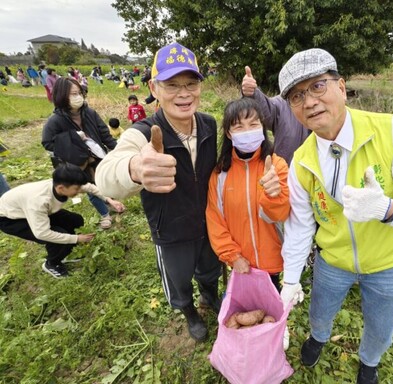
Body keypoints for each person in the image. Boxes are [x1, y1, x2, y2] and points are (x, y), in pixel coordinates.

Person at [276, 48, 393, 383]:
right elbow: (300, 226)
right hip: (332, 262)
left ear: (341, 86)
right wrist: (290, 281)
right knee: (320, 310)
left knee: (381, 323)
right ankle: (318, 337)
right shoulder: (302, 160)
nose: (308, 102)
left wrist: (387, 209)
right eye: (297, 95)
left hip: (388, 263)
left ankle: (370, 361)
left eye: (318, 86)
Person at [95, 42, 222, 342]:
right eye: (172, 84)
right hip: (170, 229)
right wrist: (135, 168)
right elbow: (105, 176)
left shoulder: (208, 124)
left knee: (209, 268)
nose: (184, 93)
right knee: (178, 281)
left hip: (208, 223)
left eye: (191, 83)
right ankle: (190, 312)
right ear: (154, 86)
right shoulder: (141, 133)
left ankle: (209, 297)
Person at [206, 97, 290, 291]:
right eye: (239, 127)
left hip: (272, 260)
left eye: (253, 124)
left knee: (270, 314)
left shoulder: (276, 165)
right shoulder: (220, 174)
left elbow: (280, 215)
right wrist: (233, 256)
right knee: (244, 313)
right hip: (240, 264)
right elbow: (215, 219)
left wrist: (273, 195)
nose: (247, 132)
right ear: (228, 133)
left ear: (262, 128)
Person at [41, 77, 121, 230]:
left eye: (79, 93)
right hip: (77, 162)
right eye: (72, 94)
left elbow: (105, 135)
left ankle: (110, 202)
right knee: (90, 188)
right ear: (61, 96)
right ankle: (105, 214)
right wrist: (72, 140)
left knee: (103, 182)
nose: (77, 97)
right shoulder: (56, 120)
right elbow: (47, 142)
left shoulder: (89, 113)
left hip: (97, 156)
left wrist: (120, 150)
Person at [0, 164, 99, 278]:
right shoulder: (38, 201)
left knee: (75, 220)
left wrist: (109, 200)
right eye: (76, 189)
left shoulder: (60, 184)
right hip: (9, 218)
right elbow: (42, 234)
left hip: (25, 208)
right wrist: (76, 238)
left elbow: (88, 187)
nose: (79, 191)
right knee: (58, 237)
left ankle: (68, 252)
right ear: (61, 188)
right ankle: (52, 263)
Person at [241, 66, 310, 165]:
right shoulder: (281, 104)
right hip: (285, 172)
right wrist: (252, 93)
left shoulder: (325, 102)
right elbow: (265, 109)